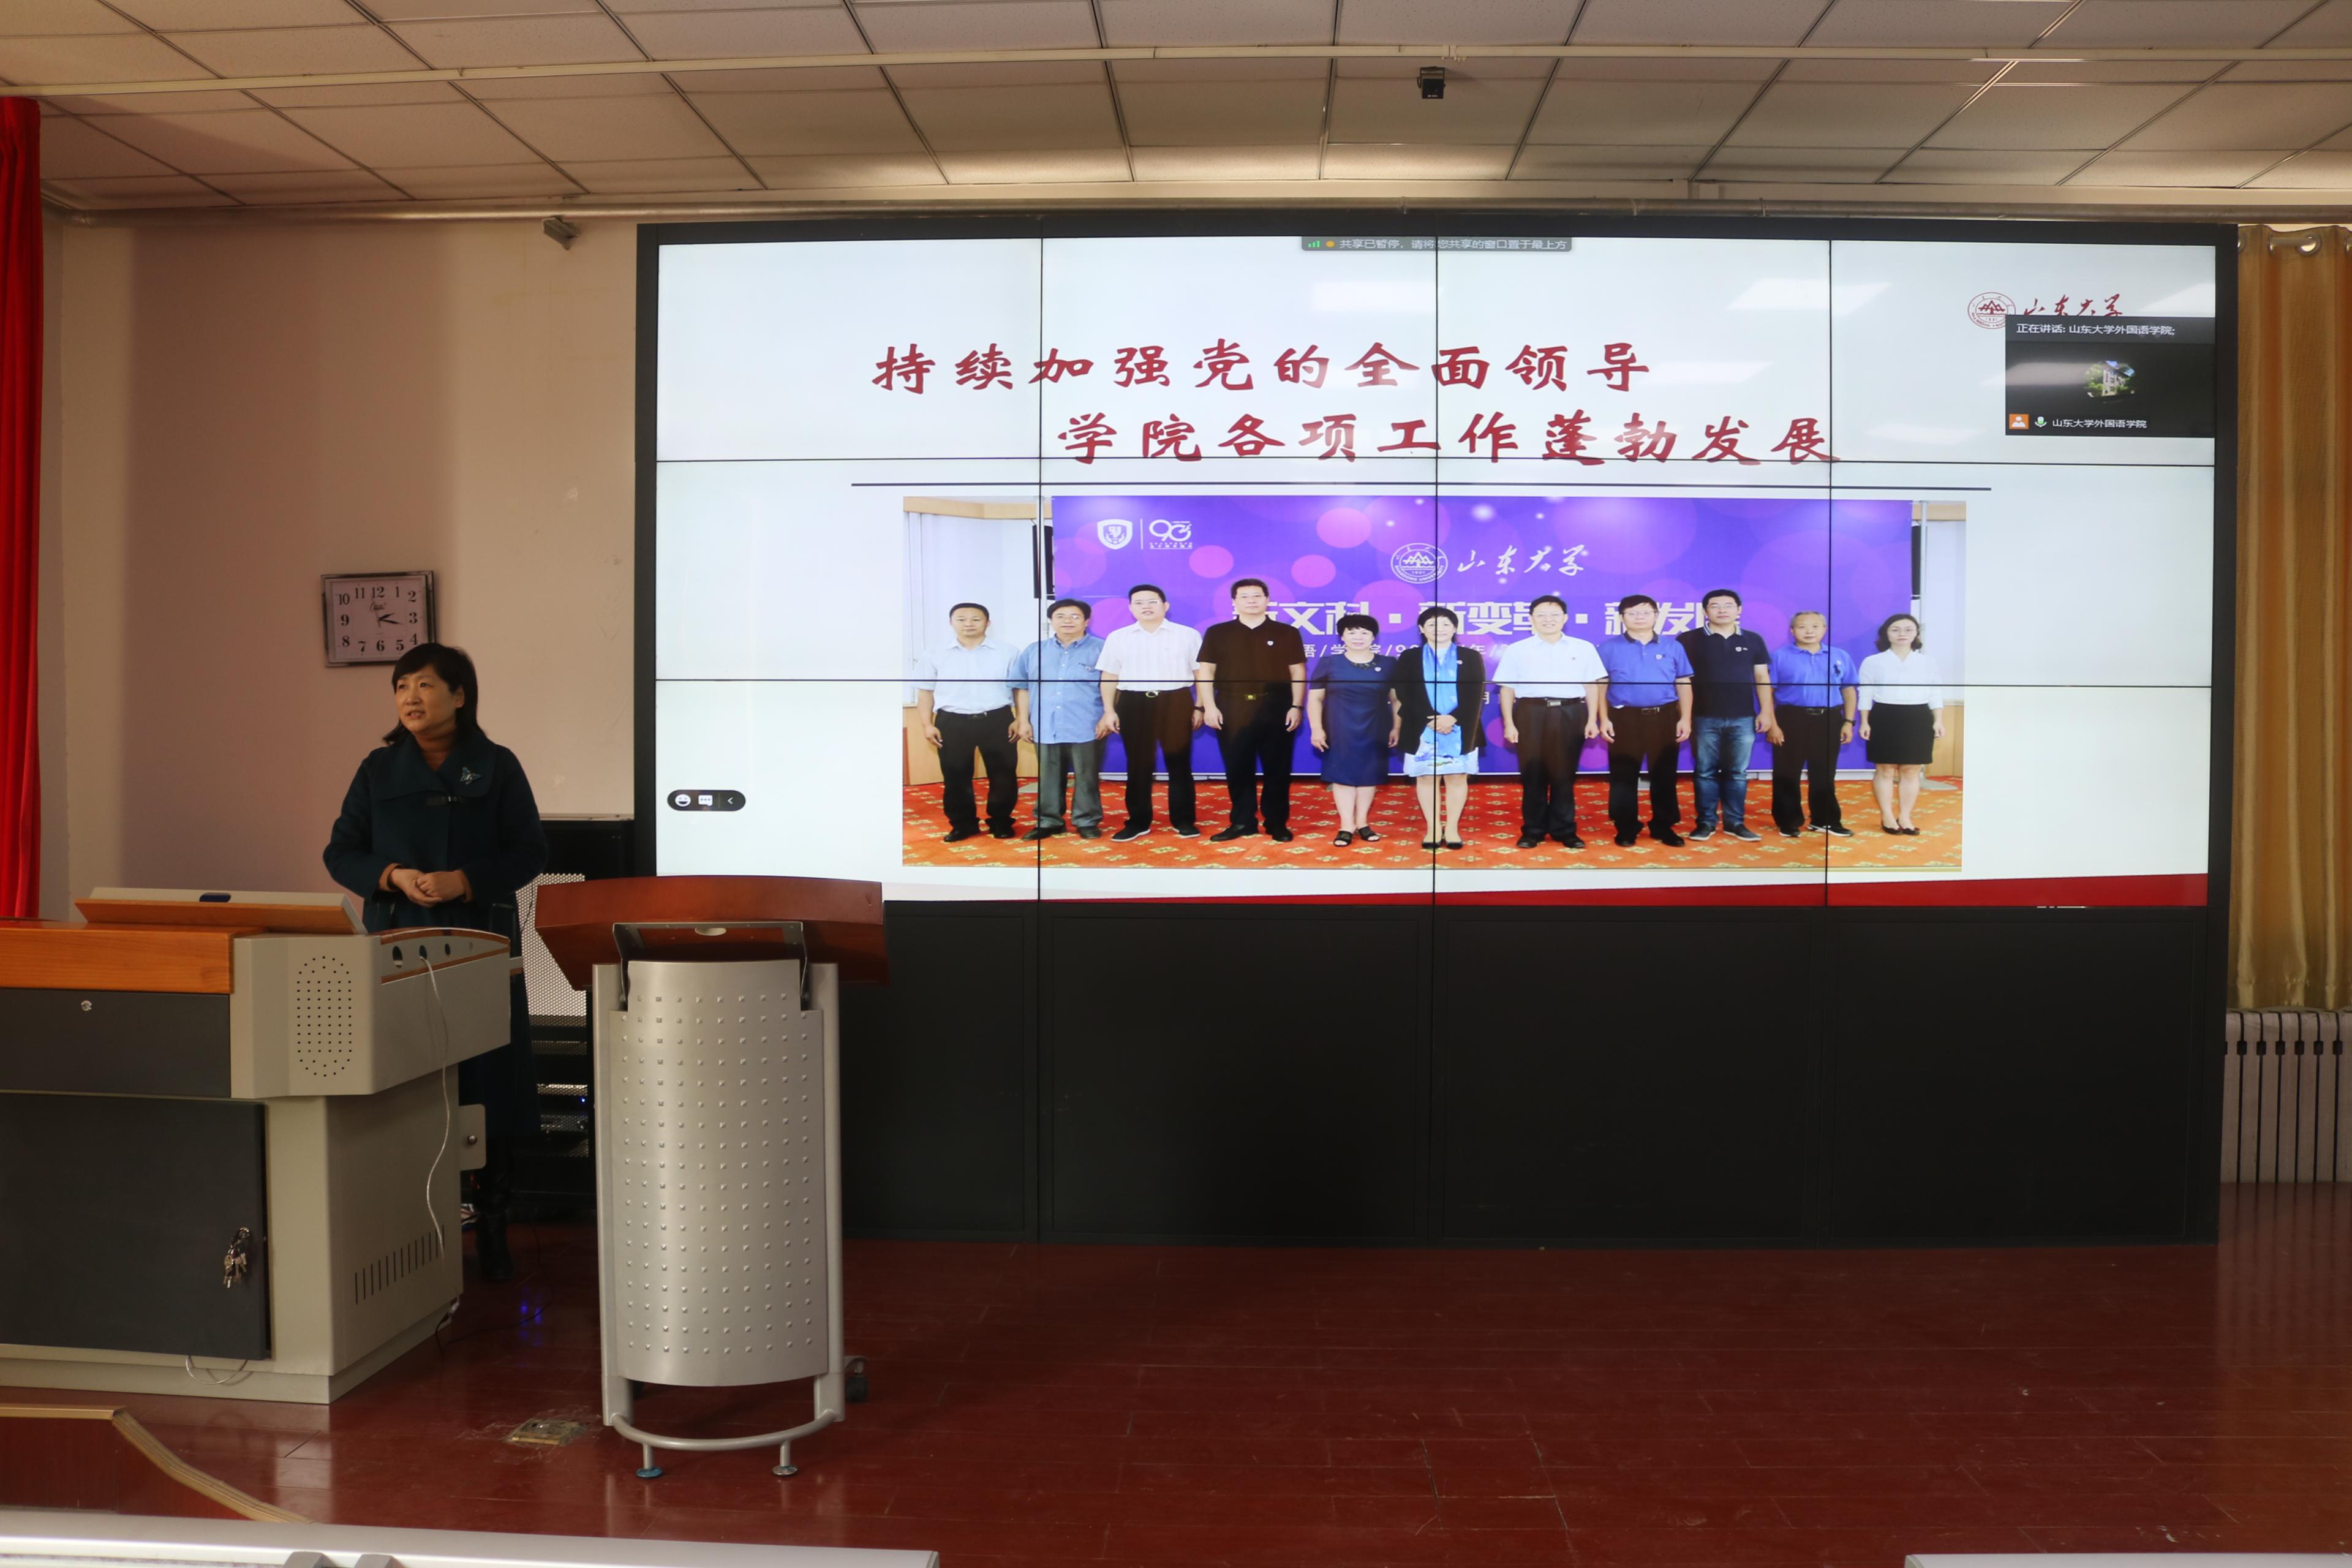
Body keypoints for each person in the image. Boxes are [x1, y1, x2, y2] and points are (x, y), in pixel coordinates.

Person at [323, 642, 546, 1284]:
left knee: (489, 1083)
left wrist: (465, 880)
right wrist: (393, 875)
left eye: (423, 684)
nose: (410, 698)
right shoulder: (378, 769)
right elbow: (341, 852)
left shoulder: (497, 766)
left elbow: (530, 851)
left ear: (459, 694)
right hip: (399, 940)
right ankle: (416, 1228)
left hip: (480, 942)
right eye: (401, 687)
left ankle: (494, 1227)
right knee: (409, 1080)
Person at [1197, 578, 1308, 843]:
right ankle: (1243, 822)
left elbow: (1298, 672)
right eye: (1244, 596)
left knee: (1278, 768)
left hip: (1276, 706)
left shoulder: (1286, 632)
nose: (1251, 601)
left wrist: (1296, 706)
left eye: (1257, 596)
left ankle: (1276, 822)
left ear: (1267, 600)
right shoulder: (1218, 632)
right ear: (1234, 602)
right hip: (1232, 706)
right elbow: (1206, 671)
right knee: (1237, 767)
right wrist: (1209, 706)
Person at [1493, 593, 1605, 850]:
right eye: (1541, 615)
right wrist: (1509, 723)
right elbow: (1507, 689)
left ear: (1565, 618)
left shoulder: (1583, 647)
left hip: (1570, 712)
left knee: (1564, 774)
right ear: (1531, 619)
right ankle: (1533, 831)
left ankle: (1565, 830)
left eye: (1554, 614)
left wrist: (1592, 720)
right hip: (1530, 713)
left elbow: (1592, 686)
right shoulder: (1517, 649)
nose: (1548, 619)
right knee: (1533, 774)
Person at [1098, 584, 1204, 842]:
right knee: (1138, 765)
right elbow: (1109, 676)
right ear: (1131, 608)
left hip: (1176, 701)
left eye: (1152, 601)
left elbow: (1201, 673)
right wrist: (1109, 710)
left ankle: (1184, 820)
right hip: (1134, 704)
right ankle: (1138, 822)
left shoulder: (1187, 635)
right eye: (1139, 602)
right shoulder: (1118, 637)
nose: (1146, 606)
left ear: (1165, 606)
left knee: (1179, 763)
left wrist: (1200, 706)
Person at [913, 602, 1018, 843]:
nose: (968, 624)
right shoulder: (934, 653)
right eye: (961, 619)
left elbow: (1019, 689)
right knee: (955, 776)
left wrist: (1021, 719)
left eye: (976, 619)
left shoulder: (1008, 652)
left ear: (988, 623)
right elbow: (925, 692)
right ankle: (963, 825)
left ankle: (1001, 822)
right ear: (951, 623)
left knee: (1003, 775)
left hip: (998, 719)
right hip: (952, 722)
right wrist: (927, 725)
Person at [1677, 587, 1774, 843]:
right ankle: (1706, 822)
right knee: (1705, 771)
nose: (1722, 610)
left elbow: (1762, 676)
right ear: (1705, 611)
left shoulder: (1753, 639)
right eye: (1715, 606)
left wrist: (1766, 711)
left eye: (1728, 605)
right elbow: (1681, 680)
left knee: (1737, 773)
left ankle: (1735, 823)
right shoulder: (1688, 639)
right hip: (1703, 716)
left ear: (1739, 610)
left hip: (1743, 717)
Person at [1597, 594, 1694, 848]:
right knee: (1623, 774)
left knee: (1665, 774)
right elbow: (1600, 687)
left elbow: (1683, 683)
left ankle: (1663, 826)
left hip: (1665, 717)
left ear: (1656, 615)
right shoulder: (1608, 648)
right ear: (1622, 617)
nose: (1639, 617)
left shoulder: (1673, 647)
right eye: (1632, 613)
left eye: (1645, 612)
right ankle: (1626, 827)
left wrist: (1685, 718)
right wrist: (1603, 718)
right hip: (1624, 718)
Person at [1011, 597, 1110, 841]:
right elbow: (1022, 687)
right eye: (1061, 617)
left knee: (1087, 777)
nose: (1068, 621)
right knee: (1048, 777)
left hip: (1087, 724)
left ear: (1086, 621)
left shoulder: (1102, 649)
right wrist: (1023, 720)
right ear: (1051, 621)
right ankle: (1049, 822)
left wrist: (1107, 715)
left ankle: (1086, 821)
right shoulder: (1034, 651)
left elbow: (1113, 686)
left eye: (1075, 616)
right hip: (1045, 724)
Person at [1391, 605, 1486, 850]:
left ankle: (1452, 828)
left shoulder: (1471, 656)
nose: (1439, 629)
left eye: (1446, 624)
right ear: (1422, 629)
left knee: (1457, 777)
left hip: (1461, 726)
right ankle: (1433, 828)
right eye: (1432, 624)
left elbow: (1476, 693)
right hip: (1421, 727)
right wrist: (1431, 718)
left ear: (1455, 628)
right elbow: (1403, 691)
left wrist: (1453, 718)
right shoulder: (1410, 657)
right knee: (1426, 778)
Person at [1306, 612, 1398, 846]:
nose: (1358, 637)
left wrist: (1397, 727)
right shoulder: (1329, 663)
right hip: (1339, 727)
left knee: (1369, 776)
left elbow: (1397, 700)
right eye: (1352, 632)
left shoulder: (1389, 664)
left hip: (1376, 726)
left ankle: (1363, 823)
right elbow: (1315, 699)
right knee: (1343, 777)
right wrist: (1317, 728)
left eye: (1365, 633)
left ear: (1374, 637)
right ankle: (1346, 826)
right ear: (1342, 636)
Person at [1765, 611, 1858, 839]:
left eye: (1815, 626)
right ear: (1792, 631)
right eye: (1802, 627)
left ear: (1824, 630)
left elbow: (1848, 690)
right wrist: (1773, 725)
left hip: (1829, 719)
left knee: (1824, 773)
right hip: (1791, 718)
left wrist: (1848, 722)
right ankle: (1789, 821)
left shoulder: (1839, 656)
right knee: (1787, 772)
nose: (1809, 631)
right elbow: (1768, 692)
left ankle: (1825, 821)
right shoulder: (1779, 657)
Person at [1857, 612, 1944, 836]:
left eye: (1908, 629)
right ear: (1886, 634)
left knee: (1911, 769)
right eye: (1895, 630)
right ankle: (1887, 815)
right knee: (1885, 769)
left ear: (1916, 634)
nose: (1902, 634)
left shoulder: (1927, 662)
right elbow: (1865, 693)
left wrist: (1938, 720)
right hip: (1884, 716)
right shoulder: (1873, 662)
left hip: (1918, 716)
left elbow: (1935, 692)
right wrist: (1864, 721)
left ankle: (1905, 816)